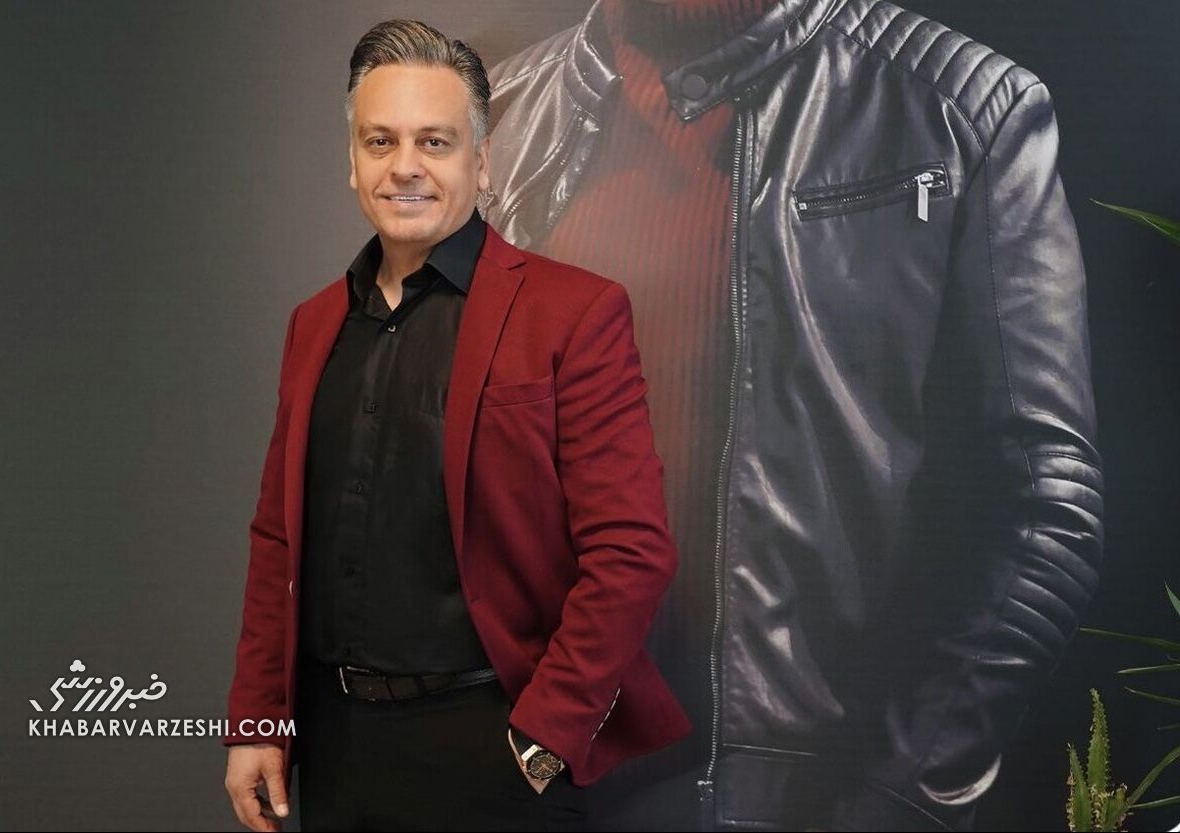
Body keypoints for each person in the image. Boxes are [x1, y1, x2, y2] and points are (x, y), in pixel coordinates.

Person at [482, 0, 1105, 830]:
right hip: (531, 783)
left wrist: (895, 802)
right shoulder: (500, 111)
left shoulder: (960, 108)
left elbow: (1043, 510)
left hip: (801, 795)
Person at [221, 18, 689, 832]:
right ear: (353, 161)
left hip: (493, 749)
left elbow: (631, 550)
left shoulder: (574, 313)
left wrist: (545, 737)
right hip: (333, 752)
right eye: (380, 141)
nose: (404, 166)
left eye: (434, 142)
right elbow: (277, 541)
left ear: (483, 160)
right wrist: (259, 721)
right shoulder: (312, 324)